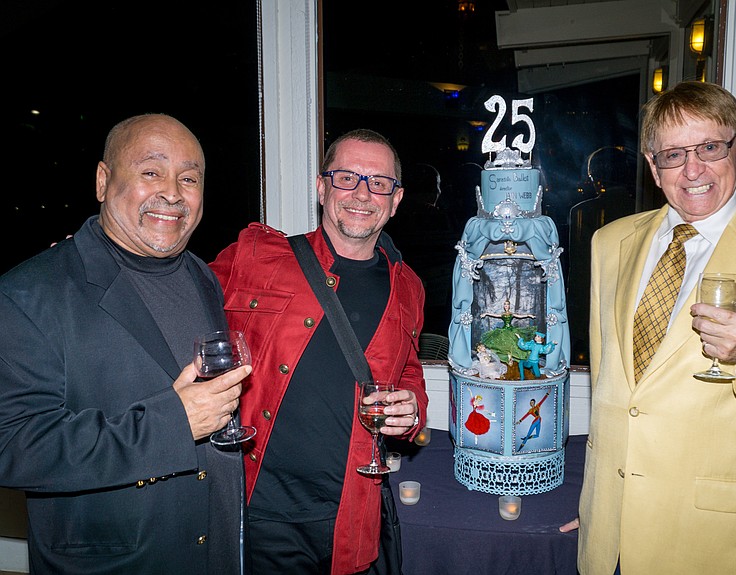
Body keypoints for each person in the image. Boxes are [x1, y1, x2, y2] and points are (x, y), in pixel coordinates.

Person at [564, 81, 736, 575]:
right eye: (673, 154)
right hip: (610, 542)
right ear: (653, 165)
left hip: (716, 547)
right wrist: (603, 507)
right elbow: (617, 393)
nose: (693, 170)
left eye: (710, 147)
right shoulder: (610, 242)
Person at [0, 114, 251, 574]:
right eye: (151, 172)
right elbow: (13, 446)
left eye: (189, 178)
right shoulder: (29, 293)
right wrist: (173, 423)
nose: (173, 192)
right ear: (102, 180)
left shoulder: (202, 277)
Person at [210, 128, 428, 574]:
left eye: (379, 182)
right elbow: (175, 295)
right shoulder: (256, 256)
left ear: (396, 198)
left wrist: (412, 411)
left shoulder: (409, 288)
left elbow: (407, 375)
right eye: (346, 177)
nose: (362, 193)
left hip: (349, 515)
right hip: (258, 512)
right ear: (321, 186)